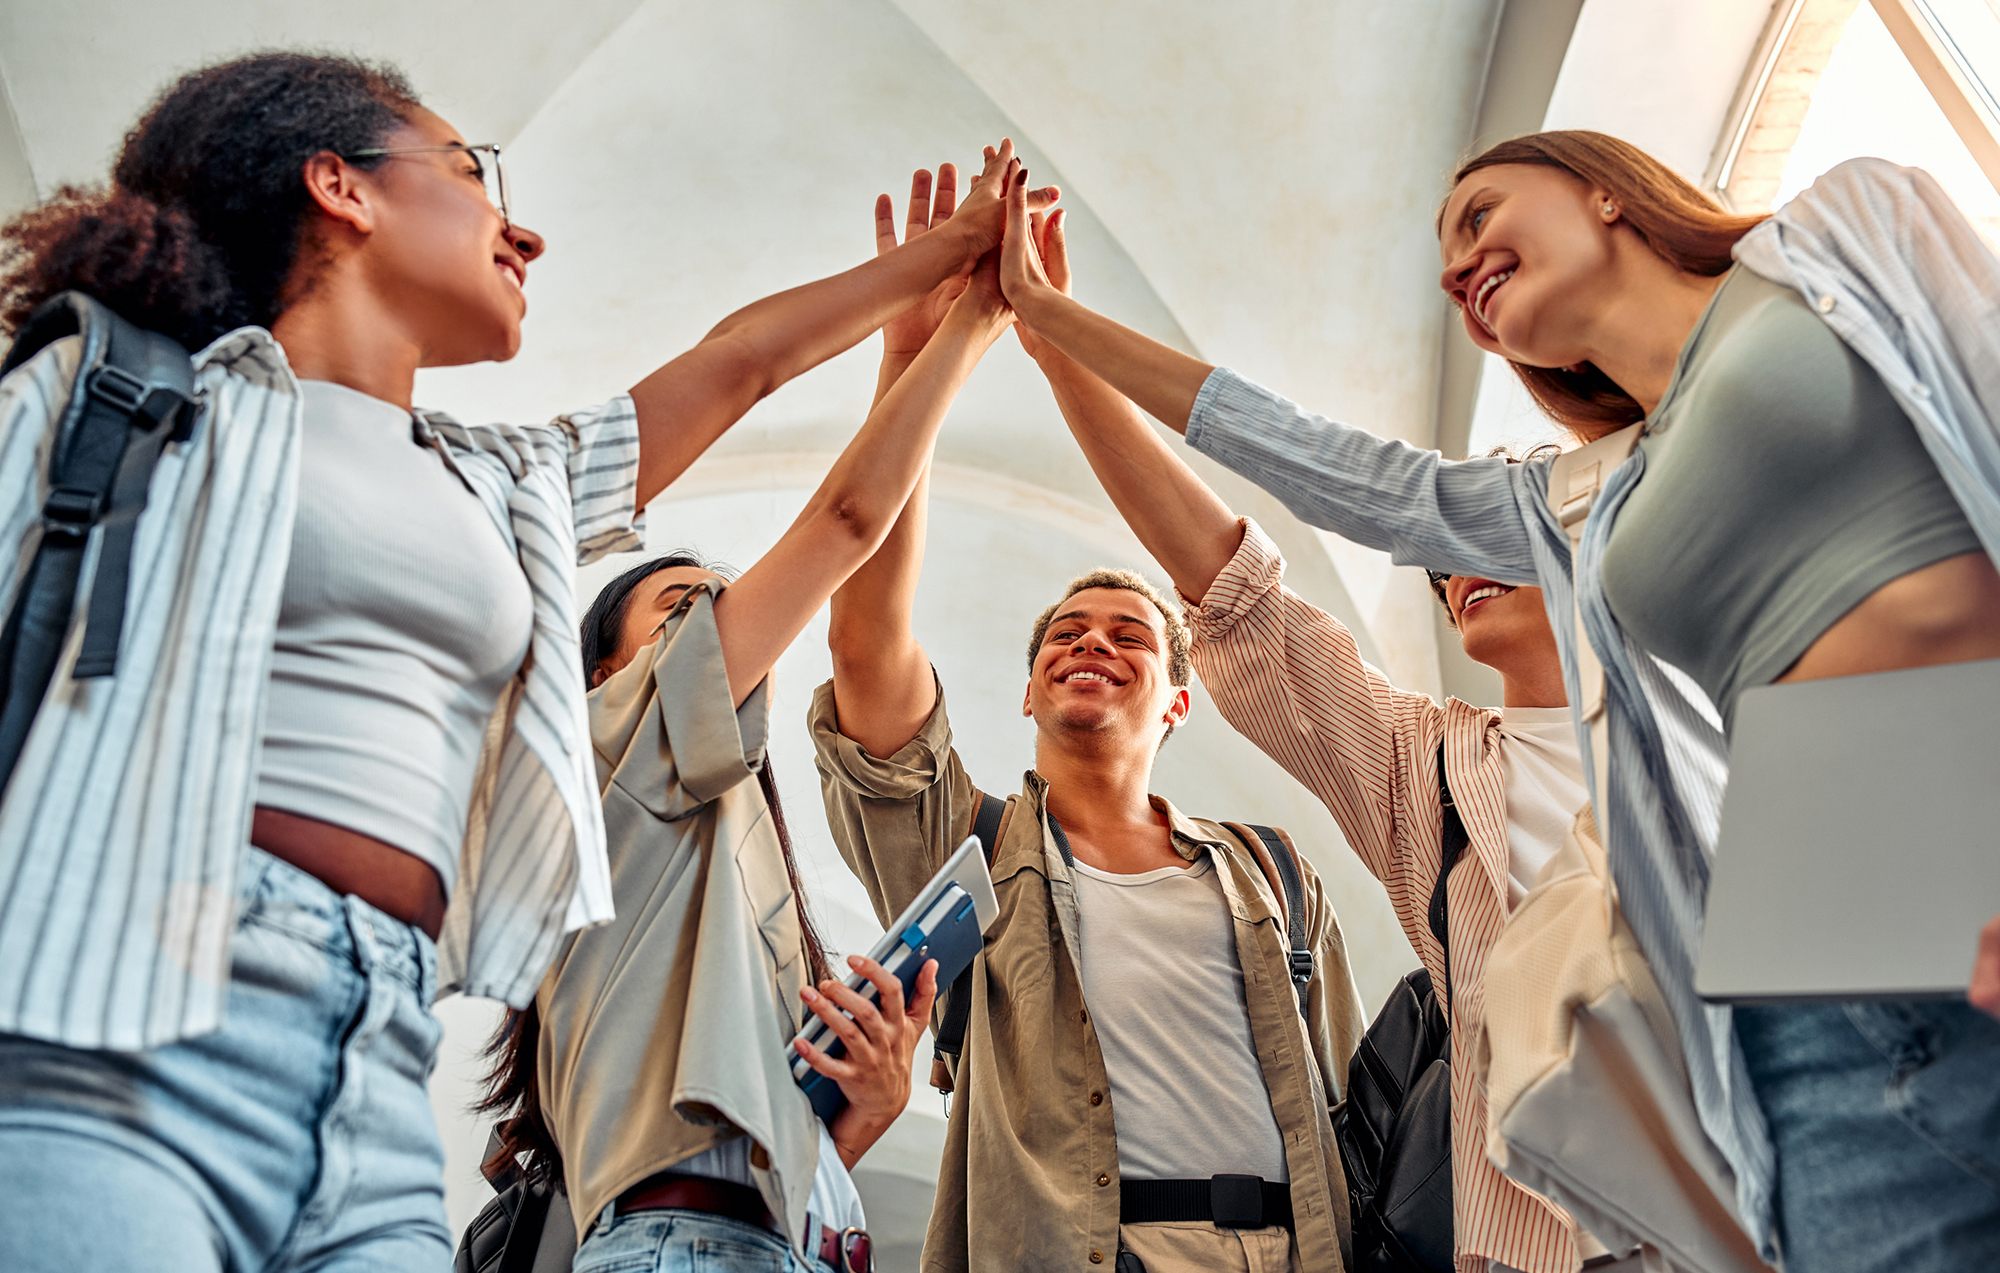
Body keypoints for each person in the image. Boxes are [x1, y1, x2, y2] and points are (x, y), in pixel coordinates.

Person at [0, 49, 1050, 1271]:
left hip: (379, 1058)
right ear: (340, 186)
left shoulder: (503, 483)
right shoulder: (127, 400)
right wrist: (952, 317)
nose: (526, 232)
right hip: (129, 1009)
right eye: (470, 171)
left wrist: (946, 268)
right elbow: (839, 519)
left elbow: (739, 361)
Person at [996, 132, 2000, 1272]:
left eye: (1476, 213)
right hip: (1780, 1003)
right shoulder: (1582, 502)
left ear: (1603, 191)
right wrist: (1052, 323)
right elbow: (1324, 470)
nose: (1453, 266)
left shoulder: (1838, 237)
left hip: (1955, 816)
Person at [1010, 202, 1614, 1273]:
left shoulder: (1694, 703)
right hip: (1544, 1233)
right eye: (1439, 562)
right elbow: (1230, 588)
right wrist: (1063, 360)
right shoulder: (1426, 769)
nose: (1455, 566)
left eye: (1488, 536)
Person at [477, 160, 1024, 1273]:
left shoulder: (720, 851)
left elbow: (776, 1150)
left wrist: (854, 1111)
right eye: (679, 614)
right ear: (602, 676)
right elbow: (846, 518)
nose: (719, 630)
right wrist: (951, 337)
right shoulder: (613, 746)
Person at [811, 287, 1367, 1270]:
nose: (1091, 645)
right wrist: (910, 365)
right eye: (1064, 636)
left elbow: (1346, 1109)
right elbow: (865, 649)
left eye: (1129, 638)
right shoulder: (970, 850)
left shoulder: (1271, 872)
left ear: (1176, 704)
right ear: (1026, 691)